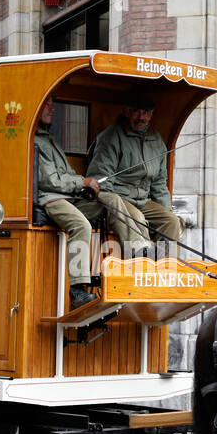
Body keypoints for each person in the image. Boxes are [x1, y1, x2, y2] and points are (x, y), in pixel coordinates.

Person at [35, 100, 147, 310]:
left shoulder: (49, 139)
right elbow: (50, 181)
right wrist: (82, 182)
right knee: (81, 225)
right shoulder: (36, 140)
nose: (52, 108)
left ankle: (138, 256)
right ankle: (78, 291)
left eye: (52, 104)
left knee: (111, 200)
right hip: (50, 198)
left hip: (69, 196)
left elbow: (65, 174)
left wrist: (85, 186)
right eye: (46, 105)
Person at [86, 89, 184, 259]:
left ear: (152, 115)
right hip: (119, 198)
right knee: (138, 218)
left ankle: (164, 270)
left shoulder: (157, 140)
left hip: (144, 200)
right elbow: (100, 178)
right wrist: (116, 204)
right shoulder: (110, 137)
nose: (141, 117)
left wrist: (166, 210)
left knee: (171, 221)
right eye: (136, 112)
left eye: (146, 112)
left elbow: (159, 184)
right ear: (126, 112)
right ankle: (141, 270)